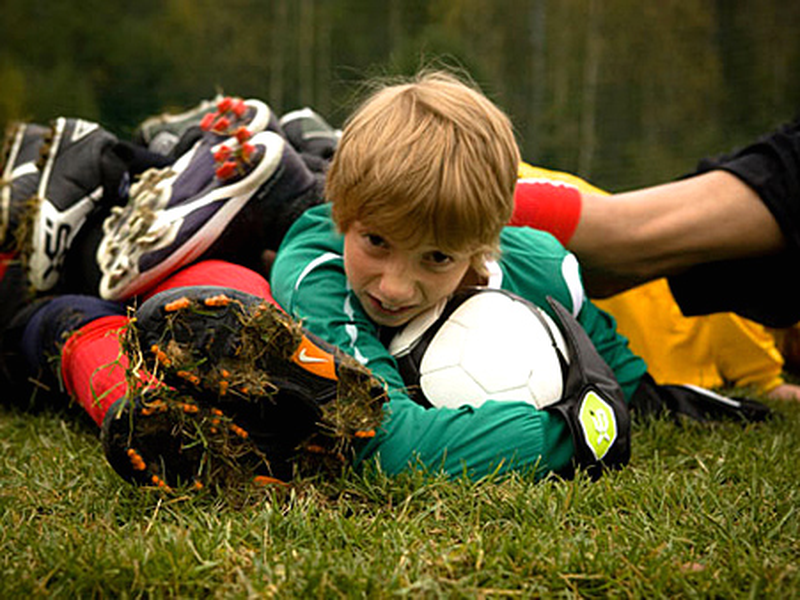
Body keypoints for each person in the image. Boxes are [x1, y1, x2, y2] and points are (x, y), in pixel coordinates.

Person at [0, 71, 773, 490]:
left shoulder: (539, 265)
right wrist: (569, 431)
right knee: (188, 311)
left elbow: (605, 368)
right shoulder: (323, 268)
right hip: (204, 293)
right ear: (341, 209)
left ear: (481, 246)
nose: (395, 285)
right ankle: (91, 285)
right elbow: (382, 440)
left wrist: (657, 403)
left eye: (436, 258)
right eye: (378, 241)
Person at [515, 163, 800, 402]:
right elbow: (767, 383)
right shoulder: (757, 326)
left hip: (605, 283)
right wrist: (769, 380)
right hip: (615, 269)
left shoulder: (761, 331)